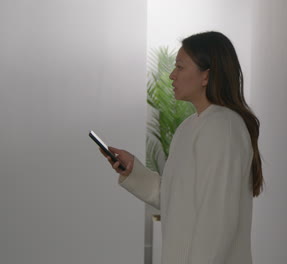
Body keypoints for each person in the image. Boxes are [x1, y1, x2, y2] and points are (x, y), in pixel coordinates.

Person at [99, 31, 264, 264]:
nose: (171, 75)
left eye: (180, 67)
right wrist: (133, 171)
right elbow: (176, 198)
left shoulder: (223, 127)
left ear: (206, 76)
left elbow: (217, 222)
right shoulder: (190, 126)